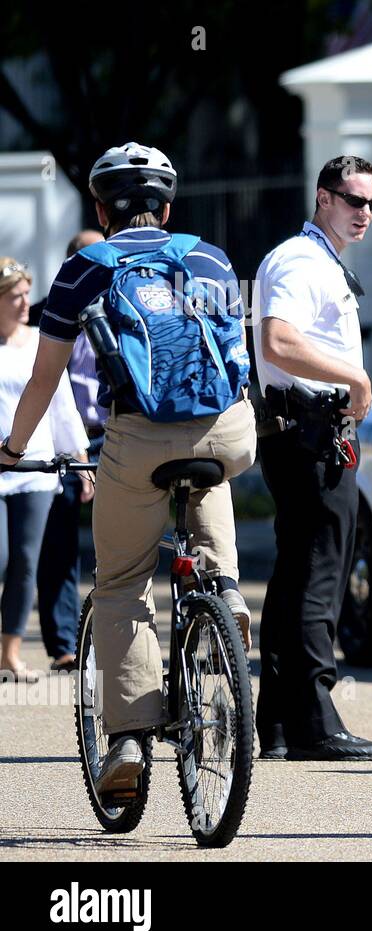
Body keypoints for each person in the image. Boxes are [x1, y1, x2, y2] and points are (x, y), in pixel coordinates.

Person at [0, 142, 256, 796]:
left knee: (119, 584)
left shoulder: (87, 266)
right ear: (167, 206)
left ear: (99, 208)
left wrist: (11, 449)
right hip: (229, 429)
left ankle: (131, 741)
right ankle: (223, 586)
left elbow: (44, 379)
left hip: (139, 435)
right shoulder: (211, 256)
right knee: (212, 476)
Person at [251, 155, 372, 762]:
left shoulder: (317, 261)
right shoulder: (299, 260)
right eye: (354, 200)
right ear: (322, 198)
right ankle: (315, 719)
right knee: (319, 574)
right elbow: (277, 339)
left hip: (310, 431)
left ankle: (279, 722)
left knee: (297, 574)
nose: (365, 213)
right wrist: (355, 379)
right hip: (309, 431)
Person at [0, 258, 90, 681]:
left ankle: (10, 653)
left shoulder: (40, 340)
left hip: (33, 466)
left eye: (25, 294)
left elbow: (61, 401)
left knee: (23, 560)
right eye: (14, 295)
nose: (24, 303)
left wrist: (78, 457)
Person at [35, 229, 106, 672]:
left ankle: (113, 640)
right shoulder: (45, 312)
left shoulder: (122, 305)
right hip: (62, 439)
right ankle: (64, 647)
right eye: (89, 257)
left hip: (113, 431)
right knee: (58, 543)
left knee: (118, 541)